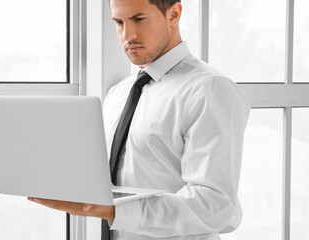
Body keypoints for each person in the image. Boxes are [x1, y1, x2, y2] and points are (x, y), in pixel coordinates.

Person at [28, 0, 251, 239]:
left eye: (139, 19)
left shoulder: (209, 89)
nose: (128, 35)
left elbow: (215, 205)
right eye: (119, 22)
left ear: (173, 14)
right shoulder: (118, 94)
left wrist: (114, 211)